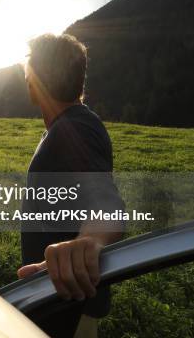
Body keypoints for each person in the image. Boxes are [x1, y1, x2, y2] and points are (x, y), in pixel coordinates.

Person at [16, 33, 124, 338]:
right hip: (60, 295)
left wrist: (90, 240)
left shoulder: (75, 129)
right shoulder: (74, 124)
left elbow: (105, 200)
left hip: (69, 309)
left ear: (35, 85)